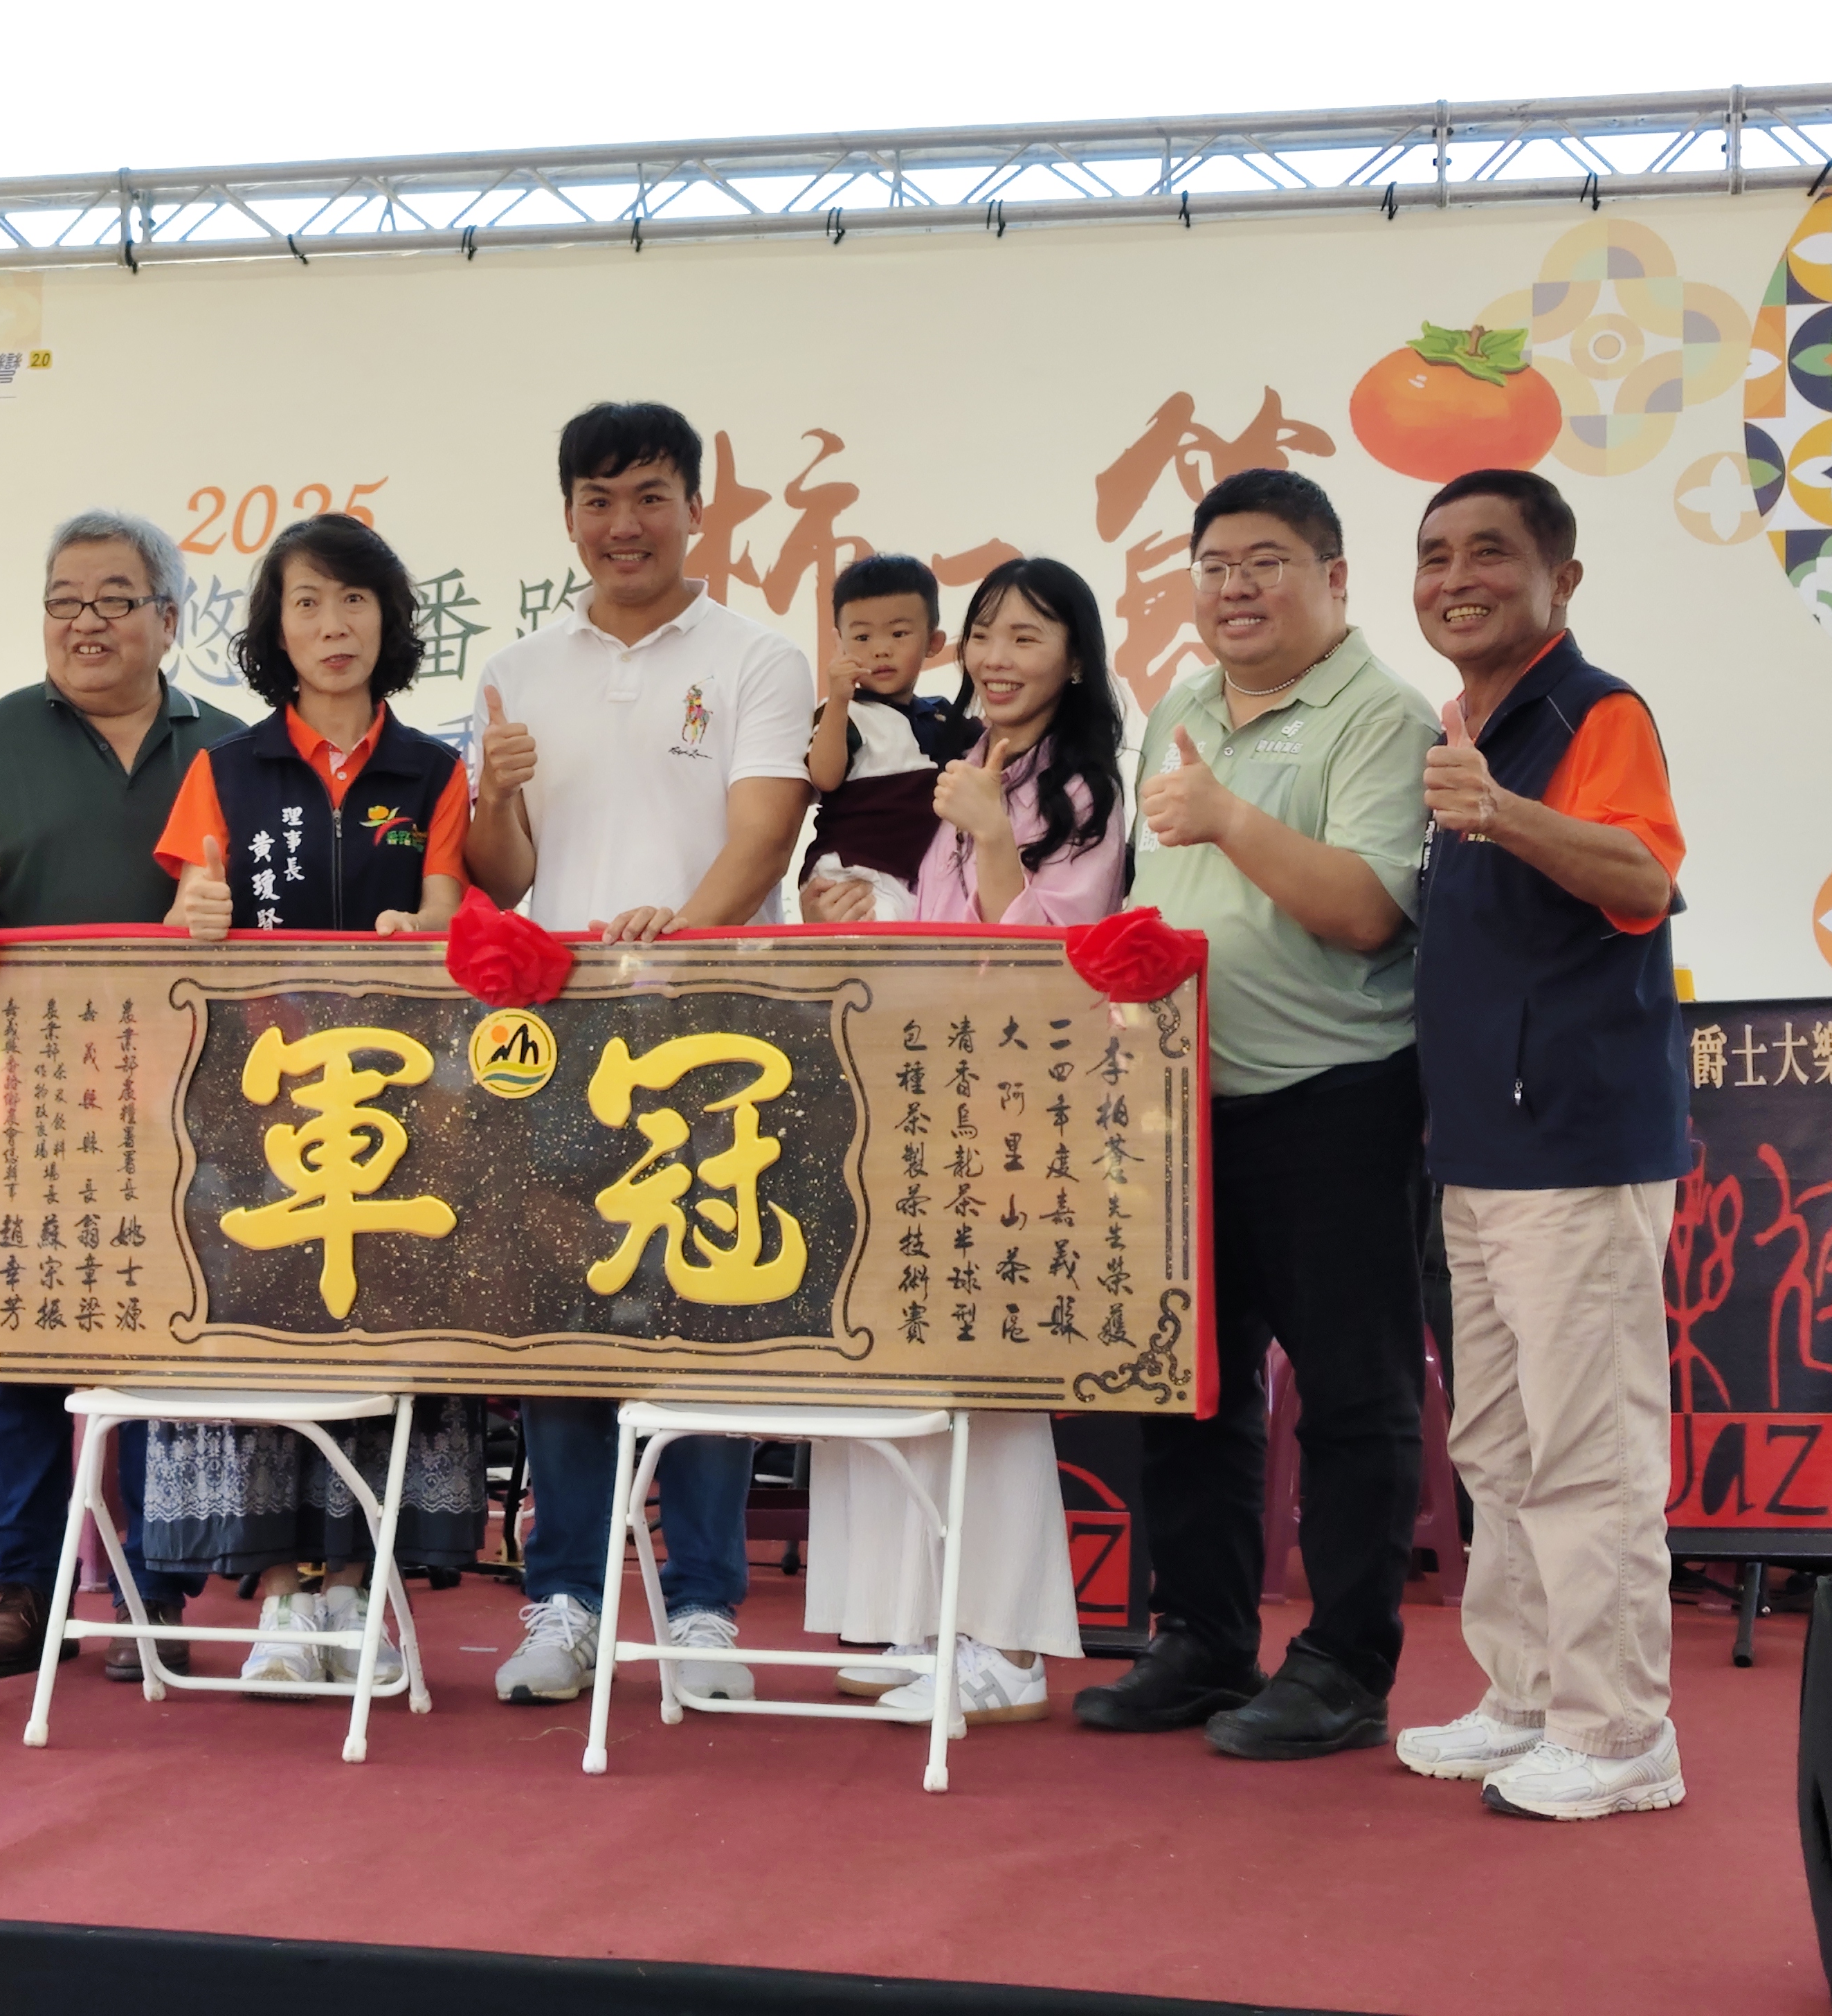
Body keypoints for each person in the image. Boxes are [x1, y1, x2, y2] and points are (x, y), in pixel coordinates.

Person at [1073, 466, 1438, 1759]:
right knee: (1188, 1388)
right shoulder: (1180, 704)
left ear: (1332, 578)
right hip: (1180, 1105)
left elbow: (1367, 912)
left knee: (1350, 1394)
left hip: (1336, 1098)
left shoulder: (1383, 716)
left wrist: (1227, 818)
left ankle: (1344, 1663)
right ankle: (1203, 1640)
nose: (1236, 588)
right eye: (1216, 565)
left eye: (1266, 562)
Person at [465, 401, 815, 1705]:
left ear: (694, 509)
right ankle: (562, 1600)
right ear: (568, 514)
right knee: (569, 1318)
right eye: (600, 499)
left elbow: (763, 835)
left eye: (651, 496)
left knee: (705, 1318)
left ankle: (704, 1608)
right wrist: (497, 791)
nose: (626, 524)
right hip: (558, 1040)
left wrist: (682, 947)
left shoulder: (756, 657)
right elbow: (502, 875)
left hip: (716, 1034)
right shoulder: (516, 666)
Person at [0, 508, 240, 1682]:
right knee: (9, 1344)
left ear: (168, 620)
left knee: (172, 1352)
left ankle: (155, 1589)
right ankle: (26, 1590)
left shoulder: (231, 754)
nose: (86, 623)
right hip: (17, 1108)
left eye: (114, 600)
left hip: (188, 1110)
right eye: (64, 601)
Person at [1392, 471, 1691, 1819]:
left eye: (1488, 553)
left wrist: (1498, 810)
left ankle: (1619, 1731)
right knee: (1499, 1449)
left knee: (1588, 1449)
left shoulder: (1592, 710)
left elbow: (1642, 879)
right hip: (1476, 1147)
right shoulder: (1466, 725)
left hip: (1573, 1141)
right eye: (1433, 554)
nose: (1455, 577)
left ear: (1558, 580)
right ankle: (1523, 1696)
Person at [149, 512, 480, 1687]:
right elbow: (188, 914)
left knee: (379, 1339)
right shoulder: (224, 769)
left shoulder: (435, 771)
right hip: (258, 1108)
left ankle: (356, 1589)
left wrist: (418, 929)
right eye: (306, 604)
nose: (332, 625)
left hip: (397, 1110)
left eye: (353, 601)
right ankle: (283, 1599)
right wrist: (196, 912)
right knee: (269, 1344)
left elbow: (447, 912)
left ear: (389, 620)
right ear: (274, 631)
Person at [801, 556, 1126, 1721]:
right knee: (907, 1365)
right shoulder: (966, 766)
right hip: (920, 1102)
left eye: (1026, 637)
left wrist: (991, 839)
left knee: (989, 1382)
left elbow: (1055, 965)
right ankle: (918, 1619)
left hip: (1012, 1114)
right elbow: (930, 938)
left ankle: (1006, 1644)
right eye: (986, 634)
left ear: (1075, 660)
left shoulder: (1083, 788)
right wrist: (850, 908)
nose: (996, 657)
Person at [799, 553, 956, 920]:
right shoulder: (845, 712)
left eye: (899, 634)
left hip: (910, 878)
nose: (880, 649)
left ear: (934, 641)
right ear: (840, 643)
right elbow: (824, 776)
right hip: (854, 874)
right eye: (862, 636)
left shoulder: (943, 716)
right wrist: (838, 700)